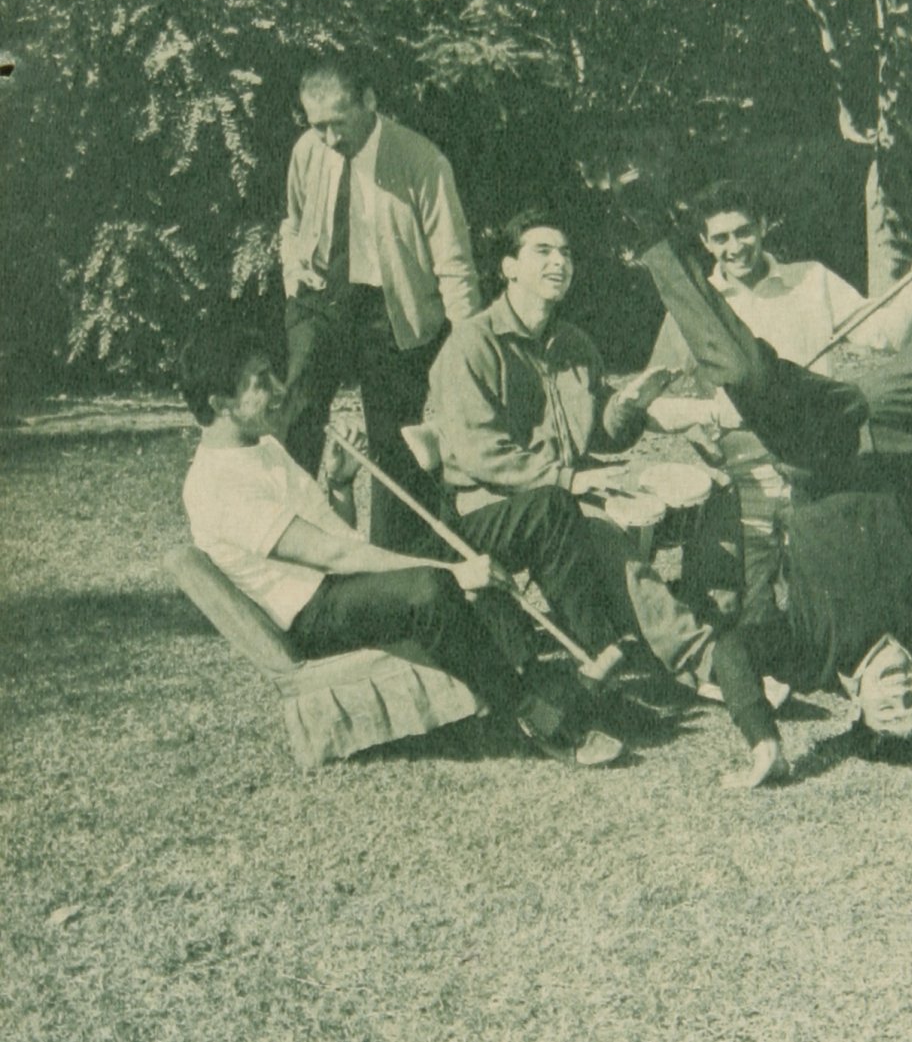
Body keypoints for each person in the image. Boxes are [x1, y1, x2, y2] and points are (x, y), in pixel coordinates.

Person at [610, 129, 912, 786]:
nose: (904, 693)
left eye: (889, 710)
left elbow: (732, 650)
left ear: (857, 706)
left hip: (817, 444)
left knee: (747, 373)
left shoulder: (810, 655)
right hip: (898, 425)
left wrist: (763, 742)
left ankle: (650, 235)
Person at [178, 320, 622, 766]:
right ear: (221, 403)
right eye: (260, 382)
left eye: (273, 375)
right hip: (314, 615)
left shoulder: (262, 447)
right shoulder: (217, 485)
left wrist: (340, 485)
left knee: (545, 508)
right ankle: (531, 714)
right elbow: (334, 555)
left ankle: (600, 660)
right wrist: (455, 572)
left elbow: (338, 536)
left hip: (342, 582)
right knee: (430, 588)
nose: (279, 389)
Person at [426, 207, 739, 689]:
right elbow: (479, 453)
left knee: (712, 488)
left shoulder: (573, 343)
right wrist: (568, 479)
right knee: (606, 537)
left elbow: (601, 435)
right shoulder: (473, 344)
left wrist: (629, 404)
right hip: (491, 507)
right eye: (543, 251)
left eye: (566, 253)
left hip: (564, 491)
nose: (560, 262)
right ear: (509, 267)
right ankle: (705, 661)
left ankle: (719, 621)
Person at [646, 179, 912, 604]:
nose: (735, 247)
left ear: (762, 225)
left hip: (818, 466)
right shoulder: (698, 306)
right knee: (749, 606)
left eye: (743, 232)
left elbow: (888, 335)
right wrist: (703, 421)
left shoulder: (812, 279)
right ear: (704, 242)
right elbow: (650, 399)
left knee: (831, 596)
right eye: (720, 238)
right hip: (745, 478)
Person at [279, 55, 481, 550]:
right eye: (318, 125)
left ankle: (396, 561)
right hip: (322, 299)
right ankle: (284, 536)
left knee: (397, 441)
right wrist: (292, 271)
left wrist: (470, 347)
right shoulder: (307, 150)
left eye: (338, 123)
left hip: (394, 313)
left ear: (368, 101)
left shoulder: (421, 161)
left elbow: (453, 262)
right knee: (295, 413)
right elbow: (292, 222)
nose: (329, 138)